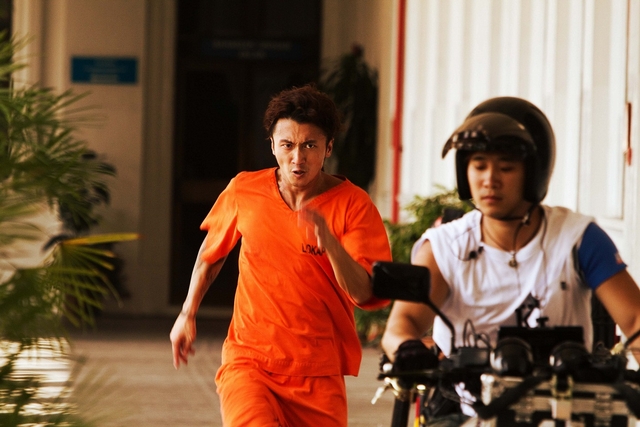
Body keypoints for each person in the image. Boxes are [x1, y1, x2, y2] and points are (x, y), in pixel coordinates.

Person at [381, 96, 640, 425]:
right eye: (479, 165)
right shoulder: (445, 247)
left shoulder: (577, 238)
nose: (490, 179)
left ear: (533, 173)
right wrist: (407, 349)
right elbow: (401, 324)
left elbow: (635, 320)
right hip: (466, 411)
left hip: (562, 411)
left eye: (506, 167)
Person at [170, 84, 392, 427]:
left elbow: (364, 293)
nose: (297, 158)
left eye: (310, 145)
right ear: (272, 145)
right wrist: (187, 313)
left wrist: (331, 244)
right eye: (287, 145)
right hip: (249, 361)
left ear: (328, 148)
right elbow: (211, 255)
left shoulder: (354, 205)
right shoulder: (244, 189)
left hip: (318, 371)